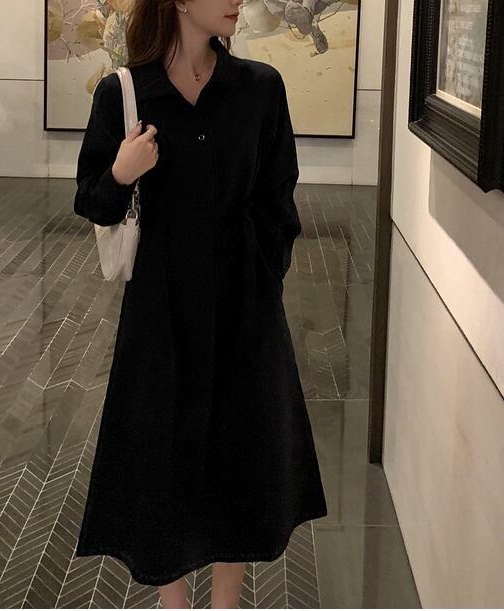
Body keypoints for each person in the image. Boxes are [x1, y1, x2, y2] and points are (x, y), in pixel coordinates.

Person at [73, 0, 328, 607]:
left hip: (244, 301)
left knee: (241, 446)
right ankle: (174, 601)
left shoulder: (259, 87)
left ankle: (226, 602)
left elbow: (278, 195)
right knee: (162, 446)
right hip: (160, 305)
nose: (237, 1)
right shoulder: (123, 93)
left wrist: (264, 272)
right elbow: (92, 202)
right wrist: (122, 172)